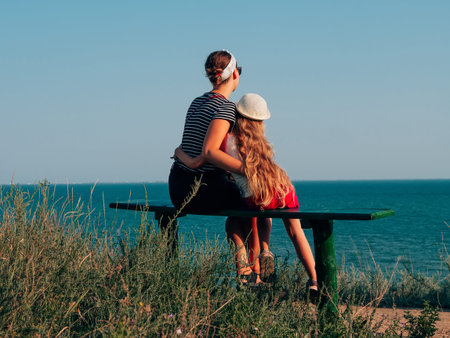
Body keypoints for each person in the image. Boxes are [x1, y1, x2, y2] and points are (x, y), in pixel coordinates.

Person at [174, 93, 318, 293]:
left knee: (238, 218)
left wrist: (180, 153)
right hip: (283, 188)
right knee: (296, 232)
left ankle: (244, 267)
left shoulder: (227, 142)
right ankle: (314, 280)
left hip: (257, 197)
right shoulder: (262, 143)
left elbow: (206, 157)